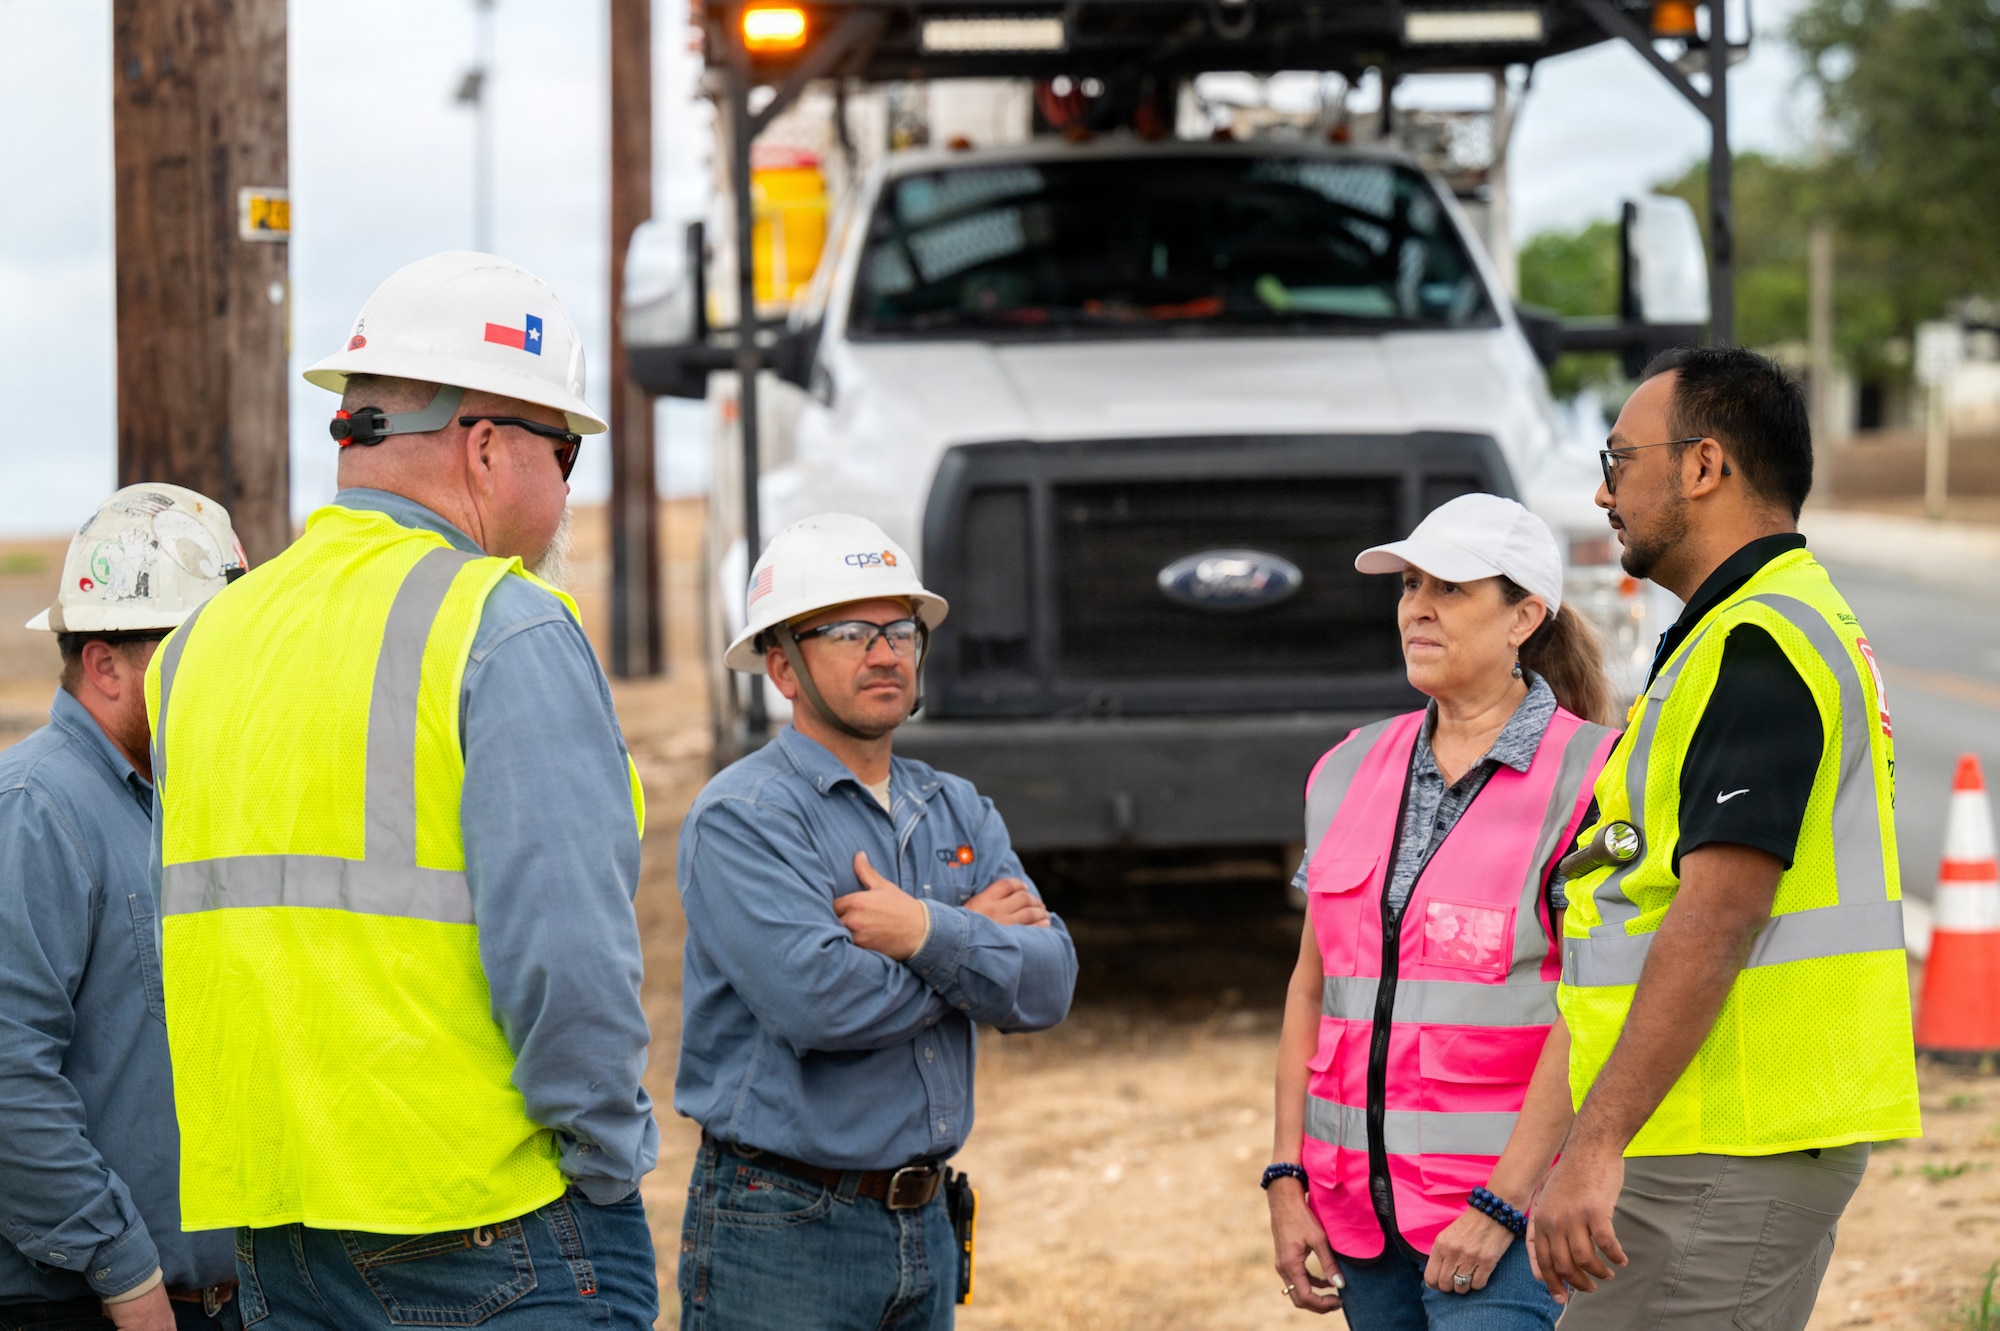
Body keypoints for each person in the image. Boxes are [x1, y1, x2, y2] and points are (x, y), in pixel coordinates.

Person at [146, 252, 660, 1329]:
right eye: (562, 451)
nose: (569, 489)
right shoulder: (502, 625)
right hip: (487, 1227)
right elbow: (568, 961)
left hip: (274, 1237)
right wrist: (607, 1169)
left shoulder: (200, 645)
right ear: (484, 445)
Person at [1529, 347, 1921, 1327]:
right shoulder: (1740, 630)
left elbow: (1716, 914)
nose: (1601, 489)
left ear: (1702, 466)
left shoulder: (1757, 643)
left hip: (1728, 1139)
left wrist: (1592, 1142)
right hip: (1721, 1127)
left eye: (1618, 459)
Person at [674, 512, 1078, 1330]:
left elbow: (1049, 984)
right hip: (780, 1230)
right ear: (782, 668)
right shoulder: (744, 817)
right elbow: (820, 1004)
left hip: (925, 1220)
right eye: (852, 631)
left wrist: (924, 932)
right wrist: (971, 949)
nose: (887, 651)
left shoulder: (957, 805)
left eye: (900, 628)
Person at [1265, 493, 1619, 1328]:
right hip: (1360, 1227)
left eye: (1451, 588)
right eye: (1410, 584)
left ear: (1524, 616)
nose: (1417, 607)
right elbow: (1311, 989)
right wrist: (1286, 1176)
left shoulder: (1598, 775)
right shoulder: (1346, 769)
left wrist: (1500, 1205)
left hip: (1507, 1229)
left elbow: (1592, 1008)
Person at [0, 485, 245, 1331]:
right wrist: (126, 1273)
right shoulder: (37, 808)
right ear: (104, 663)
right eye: (199, 652)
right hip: (87, 1307)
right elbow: (8, 1070)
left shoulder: (177, 801)